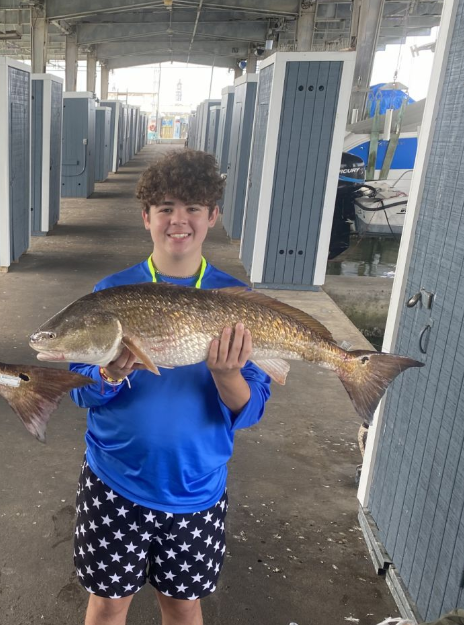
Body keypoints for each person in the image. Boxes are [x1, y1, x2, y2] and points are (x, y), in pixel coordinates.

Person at [68, 150, 272, 625]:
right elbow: (79, 388)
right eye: (165, 209)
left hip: (196, 489)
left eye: (193, 208)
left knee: (182, 607)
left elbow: (252, 408)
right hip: (114, 482)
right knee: (107, 604)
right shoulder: (113, 291)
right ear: (146, 217)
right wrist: (109, 373)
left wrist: (227, 375)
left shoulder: (238, 300)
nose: (178, 221)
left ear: (212, 216)